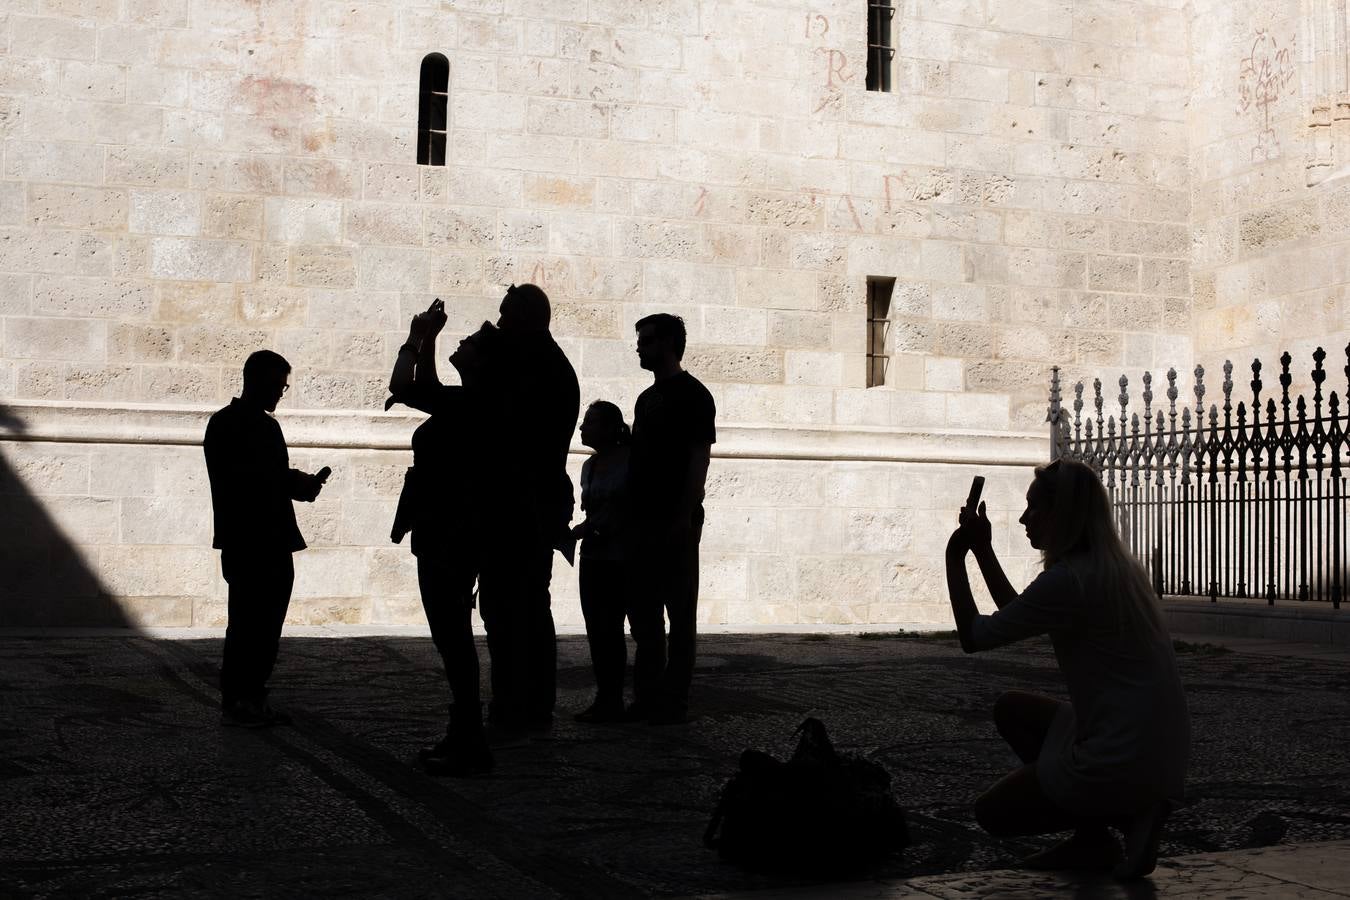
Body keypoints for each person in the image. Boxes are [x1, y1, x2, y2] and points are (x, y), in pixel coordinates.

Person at [944, 459, 1190, 880]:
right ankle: (1093, 838)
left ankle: (1131, 820)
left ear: (1062, 516)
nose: (1023, 518)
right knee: (1013, 710)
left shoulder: (1069, 580)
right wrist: (983, 550)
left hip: (1122, 755)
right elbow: (1017, 612)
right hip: (1159, 745)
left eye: (1033, 508)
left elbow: (975, 636)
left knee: (992, 813)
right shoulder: (1114, 569)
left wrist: (955, 553)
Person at [387, 299, 496, 776]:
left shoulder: (473, 405)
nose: (463, 341)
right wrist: (430, 338)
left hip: (450, 534)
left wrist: (416, 339)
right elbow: (426, 387)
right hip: (447, 531)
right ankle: (465, 732)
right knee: (451, 636)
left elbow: (404, 385)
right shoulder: (469, 403)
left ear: (483, 363)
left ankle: (470, 737)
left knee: (452, 637)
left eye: (471, 342)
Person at [476, 284, 580, 745]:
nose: (498, 324)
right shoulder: (543, 363)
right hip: (530, 504)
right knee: (519, 607)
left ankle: (522, 703)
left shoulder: (536, 368)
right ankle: (522, 702)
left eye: (505, 315)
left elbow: (504, 427)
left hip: (524, 506)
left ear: (524, 318)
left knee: (514, 608)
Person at [204, 350, 329, 727]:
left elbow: (260, 476)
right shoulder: (257, 427)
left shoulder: (223, 423)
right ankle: (249, 697)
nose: (280, 393)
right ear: (256, 381)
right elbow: (261, 479)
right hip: (263, 538)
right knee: (260, 623)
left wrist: (298, 483)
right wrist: (301, 484)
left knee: (246, 621)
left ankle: (241, 696)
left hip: (242, 538)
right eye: (278, 385)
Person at [625, 313, 716, 726]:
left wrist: (684, 515)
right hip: (641, 521)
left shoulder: (695, 395)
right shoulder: (646, 400)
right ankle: (647, 696)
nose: (639, 347)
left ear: (665, 344)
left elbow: (699, 458)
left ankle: (674, 699)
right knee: (644, 615)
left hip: (674, 520)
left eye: (645, 340)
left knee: (679, 615)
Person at [569, 400, 633, 723]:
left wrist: (591, 527)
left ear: (609, 427)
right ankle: (606, 696)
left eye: (590, 422)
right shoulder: (588, 467)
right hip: (593, 556)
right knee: (597, 630)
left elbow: (627, 510)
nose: (582, 428)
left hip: (621, 557)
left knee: (614, 628)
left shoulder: (630, 461)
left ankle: (616, 698)